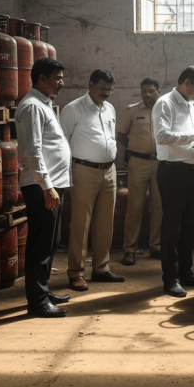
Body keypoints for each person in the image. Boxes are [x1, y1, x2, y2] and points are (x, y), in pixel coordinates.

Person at [15, 57, 71, 318]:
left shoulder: (44, 104)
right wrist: (47, 187)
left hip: (51, 185)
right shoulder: (32, 106)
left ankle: (44, 291)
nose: (62, 83)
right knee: (40, 244)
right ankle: (37, 302)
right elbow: (33, 151)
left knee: (49, 243)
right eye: (57, 78)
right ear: (42, 79)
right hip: (41, 187)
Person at [152, 66, 194, 298]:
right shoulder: (165, 103)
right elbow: (161, 136)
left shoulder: (189, 104)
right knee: (172, 226)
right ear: (187, 83)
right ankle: (171, 278)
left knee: (189, 224)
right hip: (173, 172)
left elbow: (189, 138)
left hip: (192, 170)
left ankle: (186, 271)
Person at [60, 69, 125, 291]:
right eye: (102, 88)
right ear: (90, 85)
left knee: (106, 221)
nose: (106, 93)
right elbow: (62, 144)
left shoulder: (110, 108)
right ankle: (76, 272)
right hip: (84, 170)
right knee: (81, 222)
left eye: (109, 89)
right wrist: (67, 174)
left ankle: (101, 268)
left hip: (109, 170)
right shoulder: (73, 109)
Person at [116, 77, 163, 265]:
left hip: (160, 163)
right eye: (144, 91)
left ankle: (156, 246)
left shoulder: (165, 110)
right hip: (138, 163)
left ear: (158, 91)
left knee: (159, 207)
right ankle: (129, 250)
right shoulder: (132, 110)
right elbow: (121, 135)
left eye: (151, 90)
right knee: (134, 207)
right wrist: (134, 149)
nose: (147, 94)